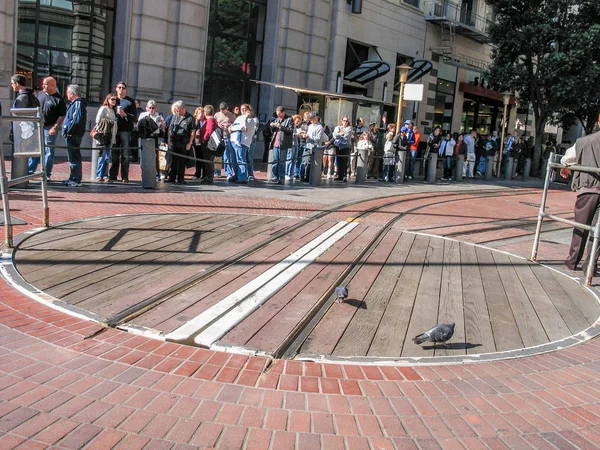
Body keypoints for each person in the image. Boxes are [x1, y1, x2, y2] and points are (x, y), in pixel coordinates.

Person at [561, 113, 600, 276]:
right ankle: (589, 265)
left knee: (581, 226)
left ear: (598, 121)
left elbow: (566, 159)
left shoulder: (584, 141)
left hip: (587, 189)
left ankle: (572, 261)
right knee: (598, 231)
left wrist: (567, 166)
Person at [27, 76, 66, 180]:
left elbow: (62, 115)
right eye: (43, 84)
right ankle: (30, 172)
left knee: (48, 151)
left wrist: (55, 127)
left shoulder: (59, 99)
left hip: (49, 128)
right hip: (37, 127)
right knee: (35, 149)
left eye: (45, 84)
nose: (42, 86)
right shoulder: (40, 94)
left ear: (53, 85)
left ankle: (46, 174)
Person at [109, 81, 136, 182]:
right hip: (114, 130)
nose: (121, 89)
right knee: (114, 154)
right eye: (119, 87)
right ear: (116, 88)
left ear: (125, 89)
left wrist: (124, 114)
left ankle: (125, 176)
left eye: (123, 88)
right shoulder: (113, 99)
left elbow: (134, 117)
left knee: (125, 155)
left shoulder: (130, 102)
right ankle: (112, 176)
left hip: (125, 130)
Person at [61, 84, 87, 187]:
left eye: (67, 92)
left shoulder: (78, 104)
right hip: (72, 134)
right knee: (72, 157)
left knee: (74, 157)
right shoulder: (75, 104)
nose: (66, 94)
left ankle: (75, 179)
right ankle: (73, 177)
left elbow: (76, 119)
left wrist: (69, 130)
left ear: (72, 93)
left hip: (73, 134)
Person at [166, 101, 194, 184]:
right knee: (173, 161)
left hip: (184, 142)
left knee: (182, 161)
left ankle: (181, 178)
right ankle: (172, 177)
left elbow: (193, 131)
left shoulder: (190, 118)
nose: (177, 111)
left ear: (183, 108)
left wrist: (190, 143)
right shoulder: (175, 116)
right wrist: (169, 139)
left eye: (178, 110)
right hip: (175, 141)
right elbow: (170, 128)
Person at [230, 103, 258, 184]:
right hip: (234, 140)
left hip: (242, 142)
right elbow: (235, 126)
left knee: (241, 159)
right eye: (241, 109)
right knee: (235, 160)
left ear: (249, 110)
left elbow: (244, 128)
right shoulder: (240, 117)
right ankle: (237, 175)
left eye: (244, 109)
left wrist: (232, 128)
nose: (243, 111)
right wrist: (233, 127)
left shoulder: (252, 119)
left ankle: (242, 177)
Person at [93, 94, 118, 181]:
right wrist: (109, 122)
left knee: (107, 156)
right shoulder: (104, 108)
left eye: (115, 99)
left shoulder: (113, 110)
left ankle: (105, 174)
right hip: (103, 134)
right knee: (102, 154)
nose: (114, 101)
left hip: (111, 134)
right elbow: (98, 120)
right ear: (107, 100)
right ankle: (99, 174)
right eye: (112, 99)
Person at [269, 106, 293, 184]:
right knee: (275, 160)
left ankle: (281, 178)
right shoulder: (277, 119)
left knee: (282, 161)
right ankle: (274, 177)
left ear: (283, 112)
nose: (278, 116)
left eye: (279, 114)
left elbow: (290, 131)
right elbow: (273, 132)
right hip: (276, 142)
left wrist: (281, 127)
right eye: (277, 114)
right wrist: (272, 126)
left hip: (283, 143)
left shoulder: (289, 119)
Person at [214, 102, 236, 179]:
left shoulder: (231, 115)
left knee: (227, 154)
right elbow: (214, 123)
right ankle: (217, 172)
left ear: (227, 108)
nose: (222, 111)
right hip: (218, 135)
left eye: (223, 110)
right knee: (217, 154)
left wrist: (229, 125)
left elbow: (235, 124)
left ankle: (228, 172)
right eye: (221, 110)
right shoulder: (217, 115)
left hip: (227, 136)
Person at [302, 112, 324, 182]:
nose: (310, 119)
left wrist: (309, 136)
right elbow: (308, 134)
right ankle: (307, 176)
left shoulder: (319, 127)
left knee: (315, 163)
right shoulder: (310, 126)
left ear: (316, 118)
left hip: (316, 147)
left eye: (312, 118)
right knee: (307, 162)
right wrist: (304, 135)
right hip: (308, 145)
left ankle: (315, 176)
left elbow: (318, 138)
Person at [200, 104, 219, 185]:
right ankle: (208, 177)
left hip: (208, 144)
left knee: (208, 161)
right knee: (209, 161)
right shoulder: (213, 120)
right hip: (210, 143)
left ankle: (209, 178)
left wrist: (204, 139)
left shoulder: (210, 120)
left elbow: (209, 130)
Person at [332, 116, 353, 182]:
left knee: (345, 161)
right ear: (342, 121)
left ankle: (344, 176)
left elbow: (346, 136)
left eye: (347, 121)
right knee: (338, 161)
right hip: (338, 146)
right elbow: (334, 136)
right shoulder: (337, 127)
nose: (345, 122)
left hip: (345, 146)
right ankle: (339, 175)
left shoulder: (349, 128)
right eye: (344, 120)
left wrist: (339, 134)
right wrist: (341, 133)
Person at [192, 106, 206, 180]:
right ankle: (197, 174)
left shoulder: (206, 121)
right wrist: (197, 120)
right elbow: (194, 129)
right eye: (199, 113)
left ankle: (204, 175)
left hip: (204, 142)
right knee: (198, 158)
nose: (201, 114)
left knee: (204, 158)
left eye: (202, 113)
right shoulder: (195, 121)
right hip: (197, 142)